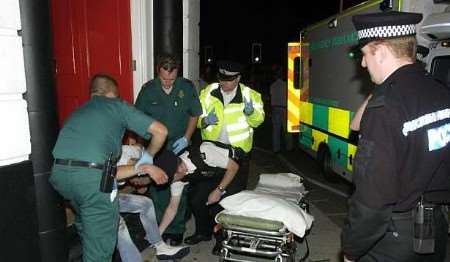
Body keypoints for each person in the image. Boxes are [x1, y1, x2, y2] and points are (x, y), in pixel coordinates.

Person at [342, 11, 450, 262]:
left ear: (379, 51)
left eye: (365, 54)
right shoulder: (440, 92)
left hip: (392, 241)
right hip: (436, 232)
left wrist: (351, 250)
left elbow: (373, 199)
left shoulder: (386, 107)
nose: (363, 64)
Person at [49, 74, 168, 262]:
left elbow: (100, 168)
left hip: (61, 176)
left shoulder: (79, 113)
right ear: (112, 93)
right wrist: (148, 156)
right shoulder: (116, 105)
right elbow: (161, 131)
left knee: (86, 223)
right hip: (92, 181)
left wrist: (141, 167)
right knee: (100, 251)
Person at [187, 60, 265, 254]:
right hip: (212, 155)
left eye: (229, 80)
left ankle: (222, 239)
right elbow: (196, 122)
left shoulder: (250, 95)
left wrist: (251, 113)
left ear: (238, 78)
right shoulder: (208, 92)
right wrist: (205, 122)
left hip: (237, 156)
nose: (225, 84)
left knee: (227, 201)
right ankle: (203, 232)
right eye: (222, 79)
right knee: (198, 198)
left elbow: (259, 121)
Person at [135, 53, 202, 245]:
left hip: (178, 145)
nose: (167, 82)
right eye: (164, 78)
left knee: (178, 186)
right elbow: (138, 119)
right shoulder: (148, 90)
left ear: (177, 73)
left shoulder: (186, 87)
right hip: (156, 146)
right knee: (159, 188)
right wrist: (141, 145)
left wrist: (187, 138)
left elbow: (194, 114)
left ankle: (176, 229)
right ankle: (158, 225)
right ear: (158, 71)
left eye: (171, 78)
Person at [115, 147, 190, 262]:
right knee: (119, 226)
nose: (138, 184)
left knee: (146, 203)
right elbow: (113, 173)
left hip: (110, 193)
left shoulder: (141, 156)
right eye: (144, 181)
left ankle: (160, 246)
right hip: (90, 195)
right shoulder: (124, 160)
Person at [270, 65, 293, 153]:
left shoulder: (272, 86)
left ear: (275, 76)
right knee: (287, 129)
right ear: (282, 76)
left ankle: (276, 149)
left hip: (275, 108)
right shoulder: (286, 85)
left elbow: (271, 97)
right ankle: (289, 147)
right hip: (284, 108)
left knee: (276, 130)